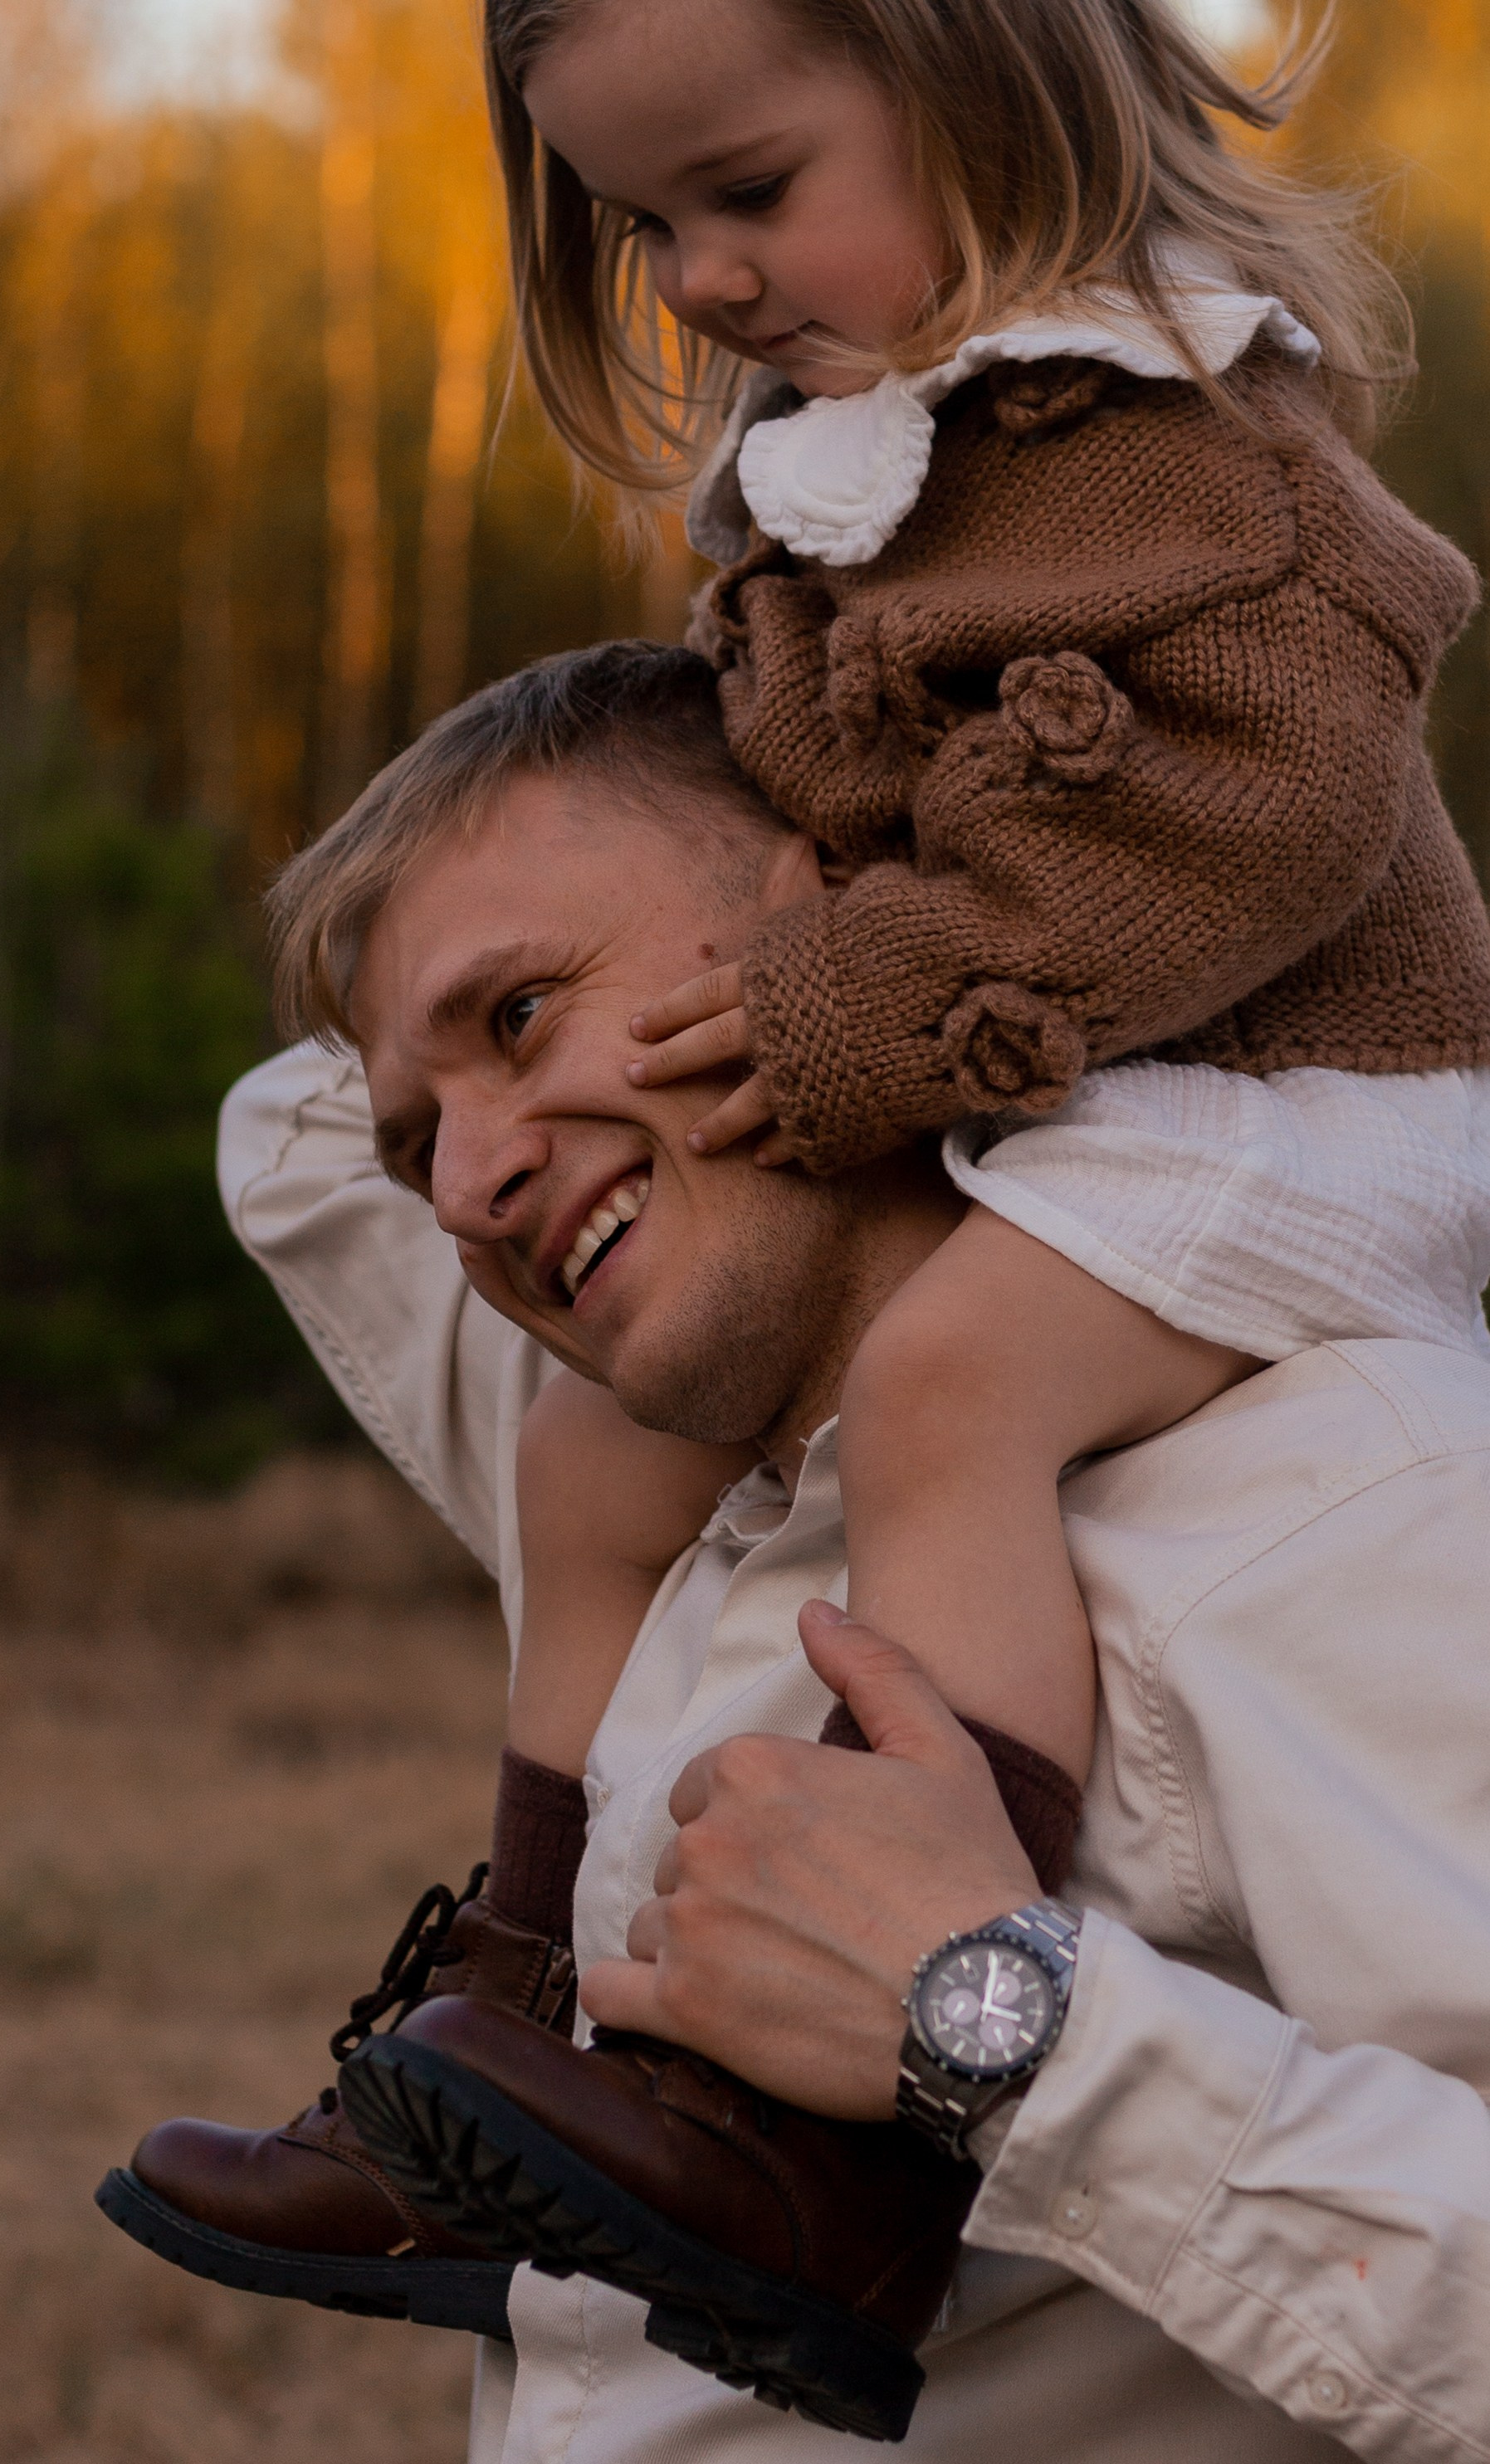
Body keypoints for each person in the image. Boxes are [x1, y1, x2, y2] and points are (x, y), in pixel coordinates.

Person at [208, 642, 1490, 2462]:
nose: (469, 1190)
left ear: (844, 914)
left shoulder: (1325, 1509)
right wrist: (808, 649)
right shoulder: (629, 1491)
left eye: (518, 1018)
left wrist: (1014, 2036)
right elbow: (284, 1136)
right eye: (423, 1140)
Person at [467, 0, 1490, 2001]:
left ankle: (902, 1977)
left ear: (995, 90)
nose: (700, 278)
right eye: (638, 226)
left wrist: (851, 1002)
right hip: (1069, 1083)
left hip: (1305, 1083)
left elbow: (1271, 806)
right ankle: (513, 1991)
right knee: (591, 1460)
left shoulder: (1165, 433)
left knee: (946, 1390)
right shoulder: (875, 451)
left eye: (749, 192)